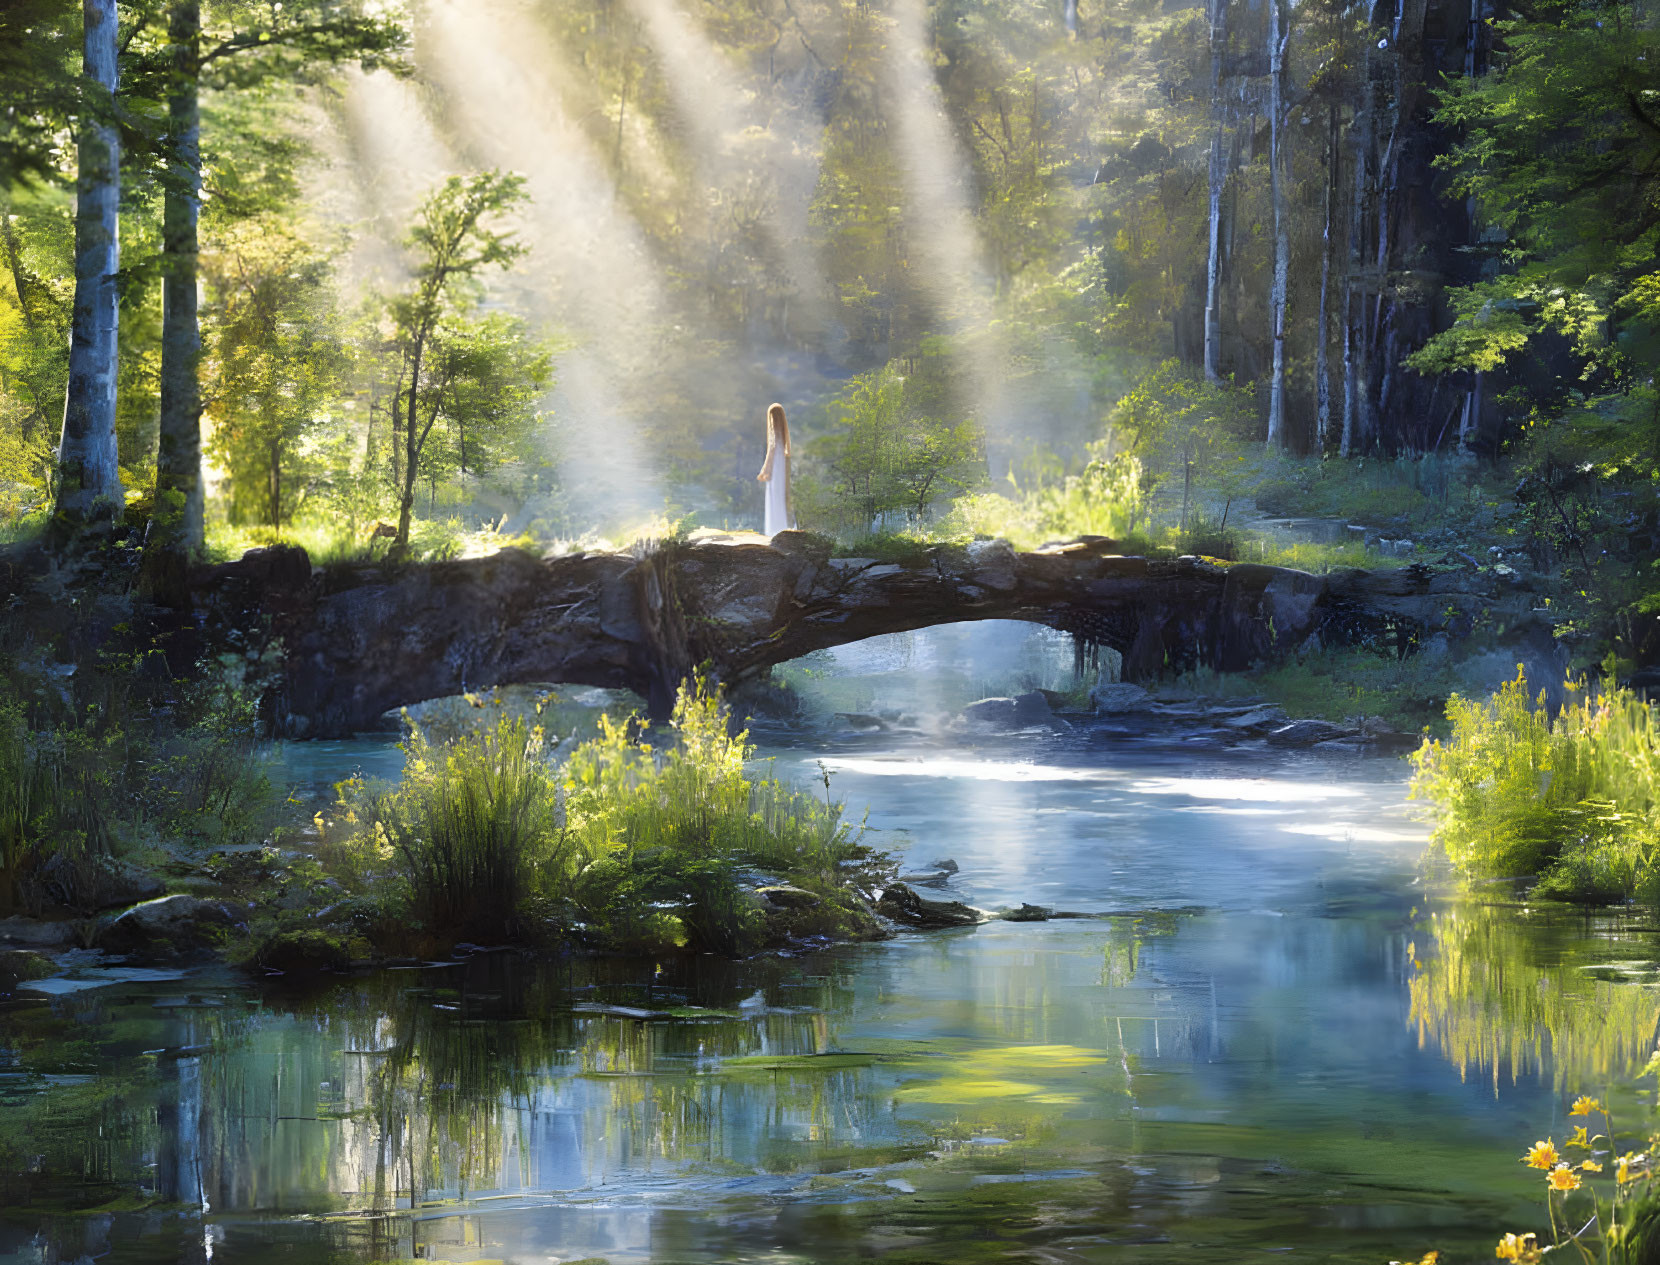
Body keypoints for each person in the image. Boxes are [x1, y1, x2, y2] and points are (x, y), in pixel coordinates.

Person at [756, 402, 794, 535]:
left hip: (775, 466)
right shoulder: (783, 435)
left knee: (774, 495)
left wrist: (764, 470)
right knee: (780, 495)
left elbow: (771, 450)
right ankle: (781, 527)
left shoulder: (774, 434)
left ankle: (773, 530)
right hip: (781, 465)